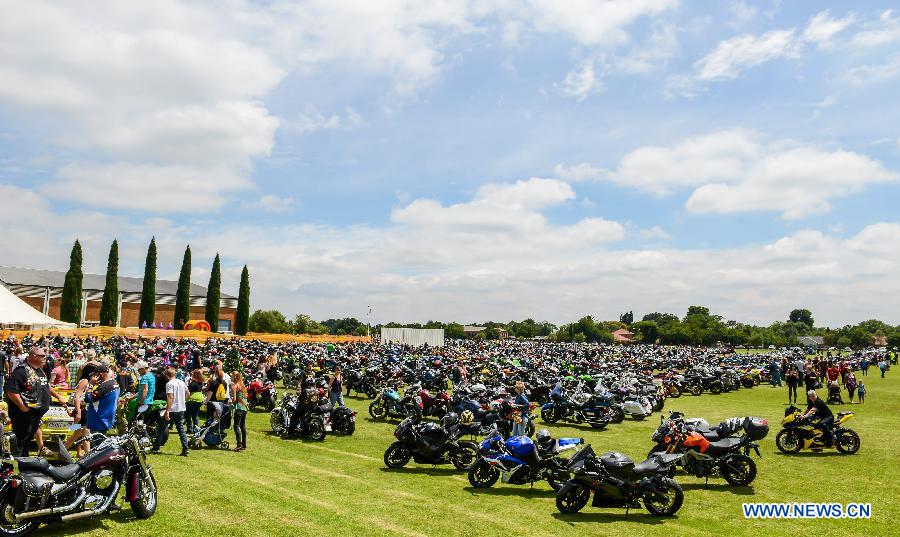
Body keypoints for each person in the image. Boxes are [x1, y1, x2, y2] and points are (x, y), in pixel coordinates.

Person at [4, 347, 69, 456]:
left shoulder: (39, 370)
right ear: (34, 356)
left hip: (36, 413)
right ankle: (15, 464)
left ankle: (24, 461)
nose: (45, 358)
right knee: (20, 440)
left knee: (27, 439)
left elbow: (46, 386)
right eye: (43, 356)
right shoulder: (21, 371)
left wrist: (58, 396)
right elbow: (11, 391)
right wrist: (22, 406)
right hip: (24, 414)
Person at [152, 367, 189, 456]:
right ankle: (186, 448)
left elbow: (170, 397)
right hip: (181, 409)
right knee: (181, 430)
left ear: (167, 375)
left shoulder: (169, 384)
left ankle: (156, 448)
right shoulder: (181, 382)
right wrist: (183, 401)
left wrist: (167, 411)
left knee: (162, 428)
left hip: (172, 409)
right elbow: (188, 393)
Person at [231, 372, 248, 452]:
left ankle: (239, 444)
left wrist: (231, 401)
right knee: (243, 426)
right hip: (244, 408)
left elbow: (234, 399)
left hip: (239, 408)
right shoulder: (243, 386)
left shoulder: (234, 386)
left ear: (234, 377)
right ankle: (244, 444)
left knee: (236, 426)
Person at [186, 369, 205, 434]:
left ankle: (189, 428)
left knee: (188, 414)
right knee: (195, 415)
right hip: (200, 399)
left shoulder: (193, 383)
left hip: (193, 399)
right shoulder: (200, 382)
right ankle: (196, 429)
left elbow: (188, 391)